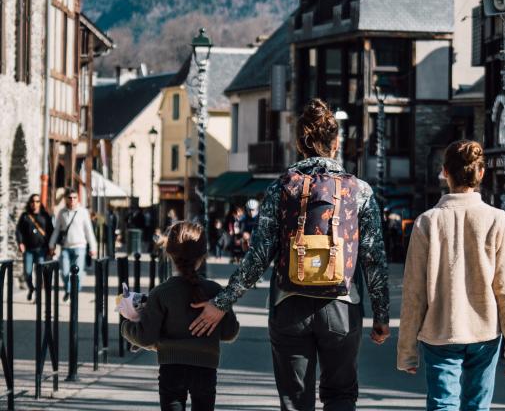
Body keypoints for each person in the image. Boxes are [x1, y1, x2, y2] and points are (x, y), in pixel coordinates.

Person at [189, 98, 390, 411]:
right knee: (341, 396)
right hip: (341, 303)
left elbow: (258, 257)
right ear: (336, 143)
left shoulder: (282, 187)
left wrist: (221, 303)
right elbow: (373, 257)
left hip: (288, 304)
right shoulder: (359, 191)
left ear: (300, 143)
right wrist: (380, 315)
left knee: (295, 401)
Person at [397, 140, 505, 411]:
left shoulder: (427, 222)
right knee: (478, 405)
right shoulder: (497, 219)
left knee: (443, 404)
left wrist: (407, 350)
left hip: (440, 329)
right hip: (484, 330)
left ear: (445, 172)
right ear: (481, 173)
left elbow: (414, 292)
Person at [121, 221, 239, 411]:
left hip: (171, 367)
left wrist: (126, 327)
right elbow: (230, 332)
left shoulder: (161, 293)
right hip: (206, 368)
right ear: (203, 256)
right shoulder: (215, 291)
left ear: (168, 253)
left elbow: (145, 337)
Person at [48, 188, 98, 301]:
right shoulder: (62, 212)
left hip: (80, 247)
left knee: (78, 273)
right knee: (65, 272)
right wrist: (51, 245)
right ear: (66, 199)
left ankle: (74, 292)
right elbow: (56, 230)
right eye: (70, 198)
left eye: (74, 198)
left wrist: (93, 247)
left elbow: (88, 230)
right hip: (66, 247)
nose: (72, 200)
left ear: (77, 199)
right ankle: (68, 290)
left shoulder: (83, 212)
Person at [16, 194, 53, 300]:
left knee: (39, 272)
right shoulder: (25, 216)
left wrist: (52, 246)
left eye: (37, 201)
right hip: (28, 249)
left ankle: (37, 296)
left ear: (40, 203)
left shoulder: (45, 215)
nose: (35, 204)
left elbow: (51, 231)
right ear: (30, 203)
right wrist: (20, 243)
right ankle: (31, 288)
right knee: (27, 273)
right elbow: (19, 231)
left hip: (42, 249)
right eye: (33, 201)